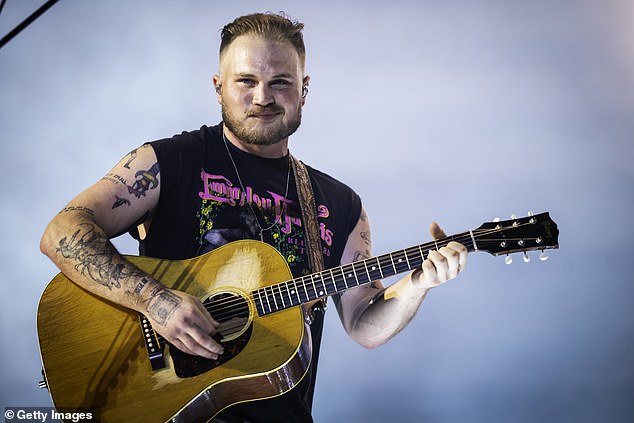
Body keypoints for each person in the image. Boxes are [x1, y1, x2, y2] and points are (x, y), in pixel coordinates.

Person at [40, 12, 467, 423]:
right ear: (218, 86)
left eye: (280, 82)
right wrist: (155, 300)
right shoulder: (167, 162)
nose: (263, 97)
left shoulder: (341, 205)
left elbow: (363, 324)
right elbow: (62, 231)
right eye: (246, 81)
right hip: (166, 406)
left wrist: (418, 283)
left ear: (304, 89)